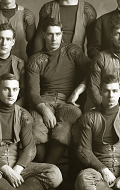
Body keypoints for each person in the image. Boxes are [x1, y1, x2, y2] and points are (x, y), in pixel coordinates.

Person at [27, 18, 91, 165]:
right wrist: (44, 110)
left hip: (67, 101)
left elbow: (94, 70)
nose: (54, 38)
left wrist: (78, 90)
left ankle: (49, 170)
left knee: (67, 127)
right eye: (50, 34)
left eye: (57, 34)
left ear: (62, 34)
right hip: (44, 99)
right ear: (44, 35)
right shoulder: (36, 59)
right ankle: (47, 172)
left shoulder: (72, 51)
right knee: (34, 125)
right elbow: (33, 92)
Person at [29, 0, 97, 55]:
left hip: (77, 61)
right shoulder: (48, 9)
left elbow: (93, 42)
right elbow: (39, 38)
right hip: (50, 60)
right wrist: (37, 60)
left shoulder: (87, 10)